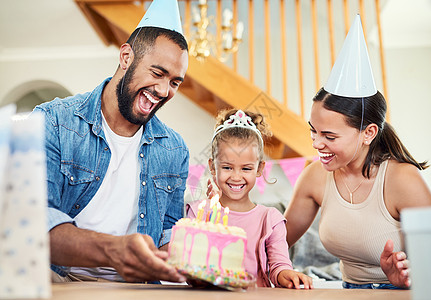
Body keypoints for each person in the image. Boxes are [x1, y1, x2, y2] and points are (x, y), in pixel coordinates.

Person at [32, 0, 189, 283]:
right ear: (126, 57)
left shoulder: (175, 149)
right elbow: (34, 222)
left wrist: (194, 265)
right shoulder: (53, 122)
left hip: (139, 287)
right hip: (62, 280)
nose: (164, 90)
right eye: (157, 73)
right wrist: (113, 250)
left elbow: (168, 233)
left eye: (175, 82)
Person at [284, 15, 431, 289]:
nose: (316, 143)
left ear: (368, 133)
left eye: (329, 136)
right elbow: (277, 242)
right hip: (348, 292)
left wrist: (404, 280)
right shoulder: (314, 177)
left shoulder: (402, 180)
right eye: (313, 131)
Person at [188, 109, 313, 289]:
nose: (236, 177)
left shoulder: (270, 219)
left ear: (260, 168)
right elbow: (191, 268)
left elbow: (279, 266)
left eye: (246, 169)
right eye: (227, 167)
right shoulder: (197, 212)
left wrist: (288, 275)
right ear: (212, 167)